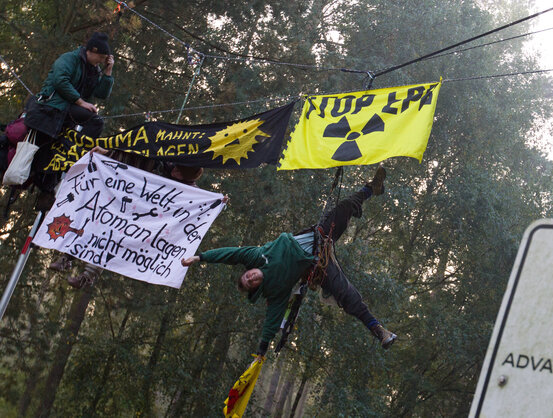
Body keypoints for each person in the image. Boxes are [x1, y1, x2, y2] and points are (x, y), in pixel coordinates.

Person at [181, 167, 398, 355]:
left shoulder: (256, 256)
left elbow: (229, 254)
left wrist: (200, 257)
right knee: (346, 293)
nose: (251, 277)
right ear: (256, 287)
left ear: (249, 270)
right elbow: (271, 322)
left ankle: (371, 189)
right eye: (251, 283)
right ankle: (378, 330)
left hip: (320, 236)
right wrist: (261, 351)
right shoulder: (276, 290)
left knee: (345, 206)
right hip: (317, 264)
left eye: (247, 275)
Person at [50, 147, 206, 288]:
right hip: (123, 203)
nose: (174, 173)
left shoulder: (189, 190)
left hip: (141, 221)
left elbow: (199, 203)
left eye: (179, 174)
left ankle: (86, 277)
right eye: (176, 168)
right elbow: (134, 154)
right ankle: (67, 257)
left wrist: (219, 202)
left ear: (187, 178)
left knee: (112, 242)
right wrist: (108, 153)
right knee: (93, 224)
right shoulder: (165, 162)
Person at [24, 32, 115, 211]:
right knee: (94, 121)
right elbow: (60, 81)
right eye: (101, 57)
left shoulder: (94, 70)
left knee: (95, 121)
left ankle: (73, 151)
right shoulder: (69, 58)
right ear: (92, 51)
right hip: (53, 106)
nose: (101, 61)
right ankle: (74, 151)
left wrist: (108, 71)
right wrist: (81, 102)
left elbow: (102, 94)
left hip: (69, 112)